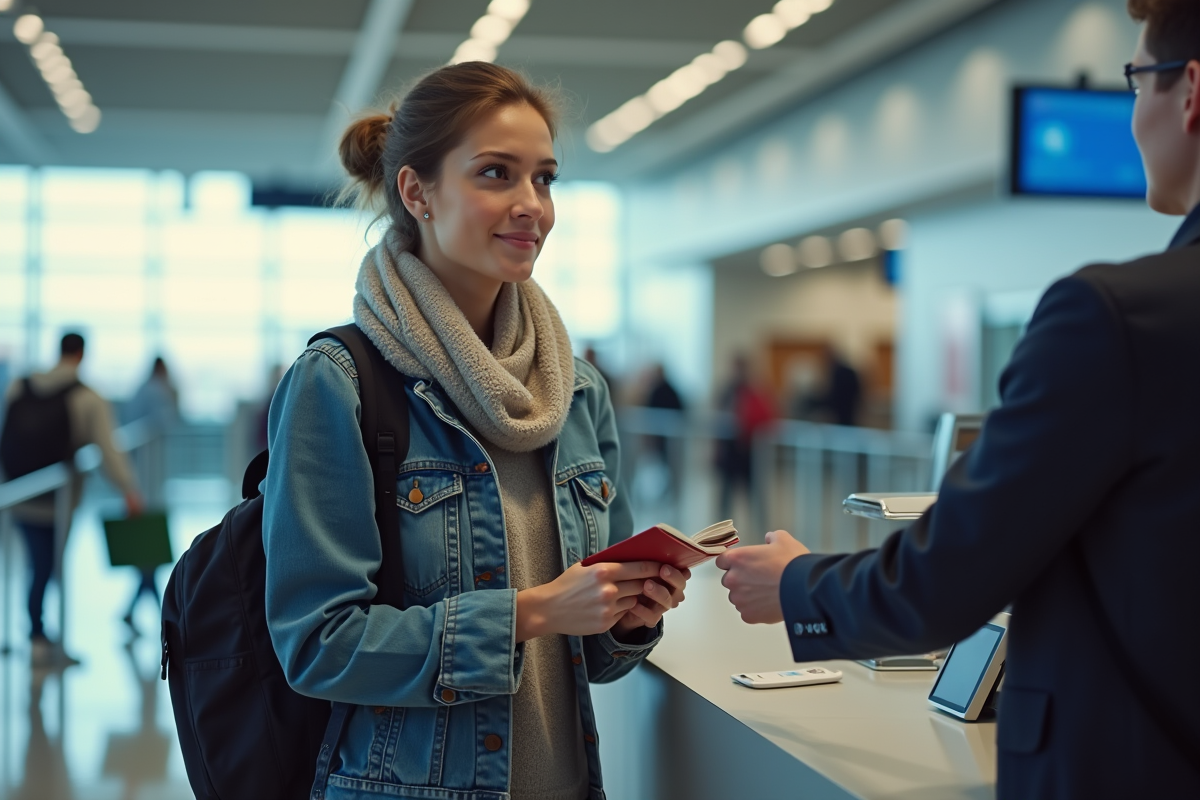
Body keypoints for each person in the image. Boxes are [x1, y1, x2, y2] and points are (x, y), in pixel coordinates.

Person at [716, 2, 1200, 797]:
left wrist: (797, 582)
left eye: (1135, 80)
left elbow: (947, 581)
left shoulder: (1115, 320)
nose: (1131, 112)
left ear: (1189, 92)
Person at [263, 62, 691, 800]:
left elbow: (597, 659)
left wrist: (627, 617)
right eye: (497, 173)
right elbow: (318, 646)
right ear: (416, 192)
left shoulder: (575, 390)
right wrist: (532, 612)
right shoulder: (339, 380)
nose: (532, 206)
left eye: (546, 179)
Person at [1, 333, 143, 666]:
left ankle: (37, 631)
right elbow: (109, 450)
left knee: (38, 563)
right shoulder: (87, 396)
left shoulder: (20, 386)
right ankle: (38, 635)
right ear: (81, 354)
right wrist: (128, 490)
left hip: (22, 491)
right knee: (47, 566)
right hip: (59, 502)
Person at [714, 354, 773, 520]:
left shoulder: (754, 392)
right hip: (729, 451)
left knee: (754, 494)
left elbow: (765, 417)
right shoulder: (727, 391)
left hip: (747, 451)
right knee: (725, 496)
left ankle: (761, 525)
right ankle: (720, 531)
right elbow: (718, 420)